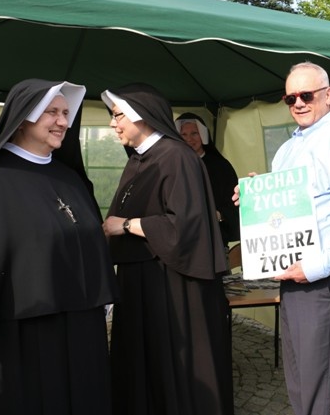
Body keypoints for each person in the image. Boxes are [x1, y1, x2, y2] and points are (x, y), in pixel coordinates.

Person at [0, 79, 119, 414]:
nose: (64, 121)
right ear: (22, 118)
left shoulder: (71, 178)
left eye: (66, 113)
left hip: (81, 335)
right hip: (24, 341)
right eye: (52, 112)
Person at [234, 61, 330, 415]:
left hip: (320, 274)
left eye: (306, 95)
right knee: (299, 376)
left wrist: (316, 266)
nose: (298, 103)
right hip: (294, 273)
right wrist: (256, 195)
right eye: (290, 97)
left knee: (317, 379)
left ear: (328, 96)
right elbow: (288, 209)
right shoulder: (291, 146)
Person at [100, 83, 234, 415]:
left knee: (174, 370)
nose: (113, 124)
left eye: (118, 116)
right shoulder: (141, 159)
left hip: (172, 287)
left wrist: (127, 225)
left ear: (141, 116)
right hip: (144, 283)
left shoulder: (177, 157)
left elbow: (185, 225)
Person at [175, 112, 240, 247]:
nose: (189, 139)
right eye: (184, 135)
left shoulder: (221, 166)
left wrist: (219, 215)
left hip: (214, 240)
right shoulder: (172, 166)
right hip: (181, 242)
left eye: (194, 133)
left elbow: (234, 203)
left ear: (203, 136)